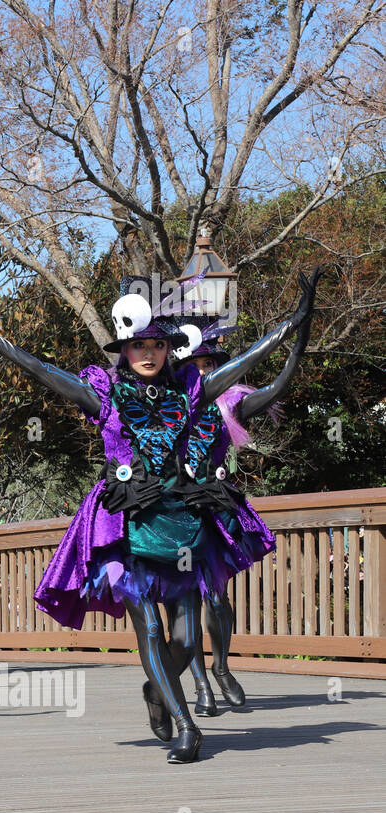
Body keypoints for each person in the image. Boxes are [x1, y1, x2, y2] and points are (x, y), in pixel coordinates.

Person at [0, 272, 318, 764]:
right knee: (149, 628)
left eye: (157, 345)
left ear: (168, 349)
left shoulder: (190, 390)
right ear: (124, 350)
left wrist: (291, 326)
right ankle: (186, 726)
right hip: (127, 525)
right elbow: (43, 370)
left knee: (187, 640)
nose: (149, 353)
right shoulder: (103, 394)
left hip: (185, 520)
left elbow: (243, 363)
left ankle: (157, 690)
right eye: (138, 345)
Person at [173, 276, 319, 713]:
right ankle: (198, 683)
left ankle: (220, 667)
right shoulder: (159, 406)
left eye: (207, 363)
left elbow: (275, 388)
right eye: (193, 363)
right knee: (186, 594)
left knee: (217, 595)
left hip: (215, 504)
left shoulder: (228, 403)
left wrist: (297, 338)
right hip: (172, 507)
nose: (201, 371)